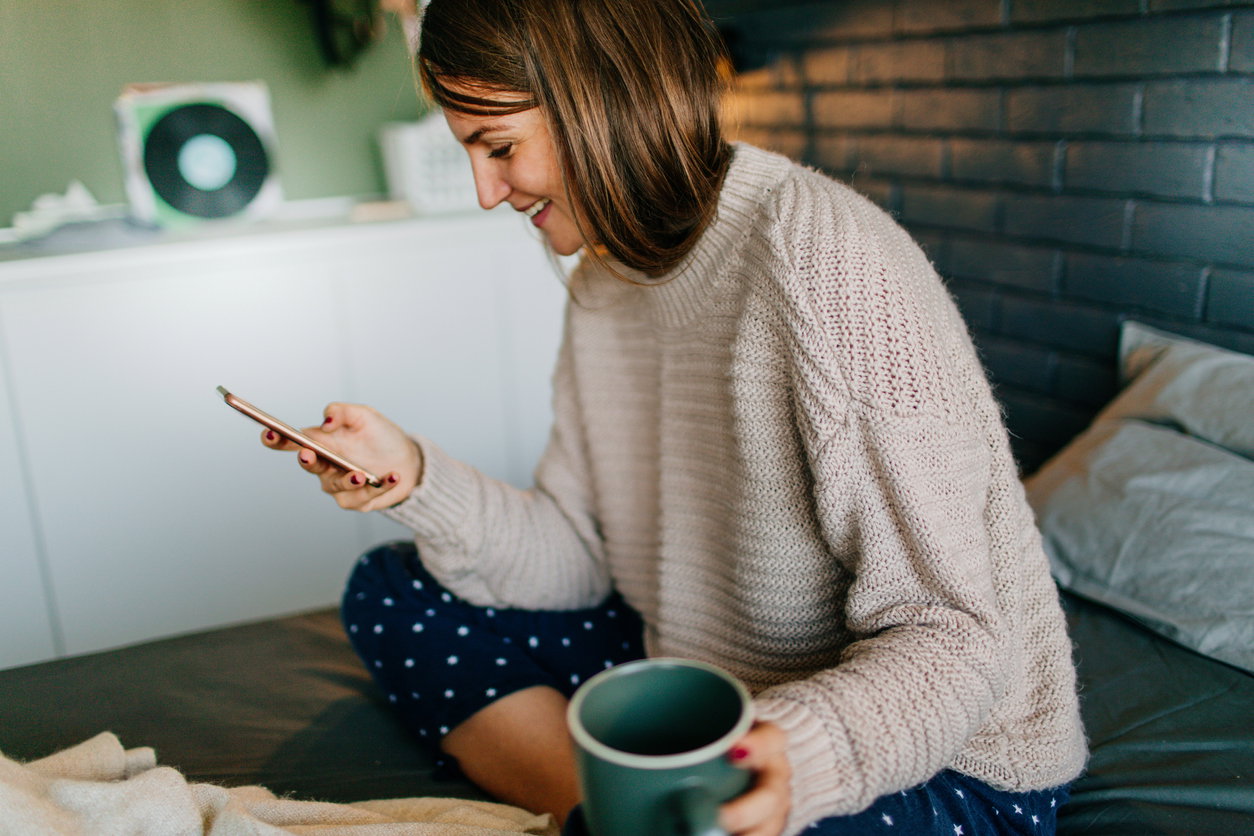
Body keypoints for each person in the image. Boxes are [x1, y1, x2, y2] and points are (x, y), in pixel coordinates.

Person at [263, 0, 1088, 834]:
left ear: (605, 100)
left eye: (500, 147)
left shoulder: (822, 256)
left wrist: (797, 756)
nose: (486, 193)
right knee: (392, 586)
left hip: (935, 755)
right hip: (710, 681)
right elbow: (581, 557)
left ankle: (641, 815)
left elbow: (955, 637)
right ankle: (623, 815)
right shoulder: (603, 282)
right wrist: (417, 477)